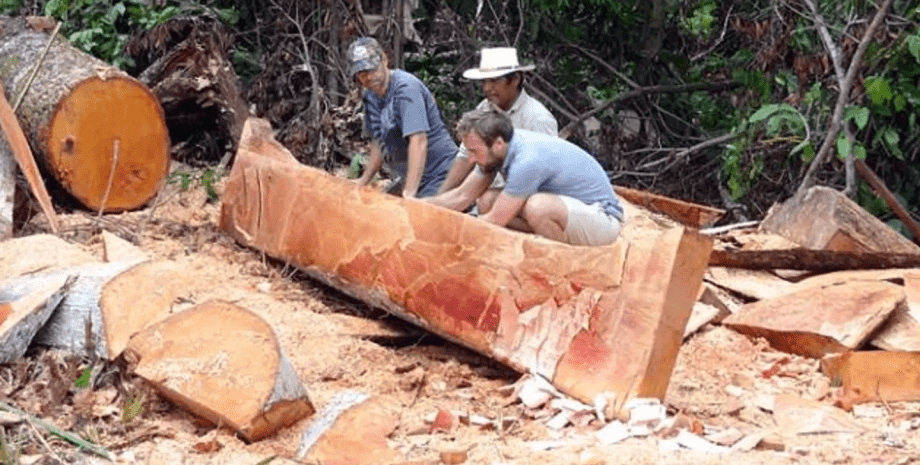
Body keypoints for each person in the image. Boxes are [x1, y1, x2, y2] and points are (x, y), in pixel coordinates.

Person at [426, 108, 624, 246]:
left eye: (474, 151)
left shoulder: (527, 160)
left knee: (538, 207)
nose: (470, 158)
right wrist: (416, 206)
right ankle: (531, 250)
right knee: (487, 201)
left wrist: (451, 233)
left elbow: (495, 220)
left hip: (602, 220)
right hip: (570, 212)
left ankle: (562, 261)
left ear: (498, 145)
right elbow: (461, 196)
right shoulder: (496, 152)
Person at [437, 47, 558, 201]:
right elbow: (465, 155)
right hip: (494, 190)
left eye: (494, 81)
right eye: (485, 81)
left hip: (535, 199)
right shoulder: (485, 108)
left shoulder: (538, 119)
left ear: (515, 80)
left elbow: (544, 176)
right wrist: (441, 197)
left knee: (487, 202)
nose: (487, 88)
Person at [347, 36, 456, 198]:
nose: (368, 77)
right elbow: (378, 142)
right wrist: (363, 180)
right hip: (409, 177)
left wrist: (409, 193)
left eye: (372, 70)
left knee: (420, 217)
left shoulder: (406, 89)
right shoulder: (370, 96)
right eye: (362, 74)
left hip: (440, 172)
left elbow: (418, 140)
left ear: (384, 59)